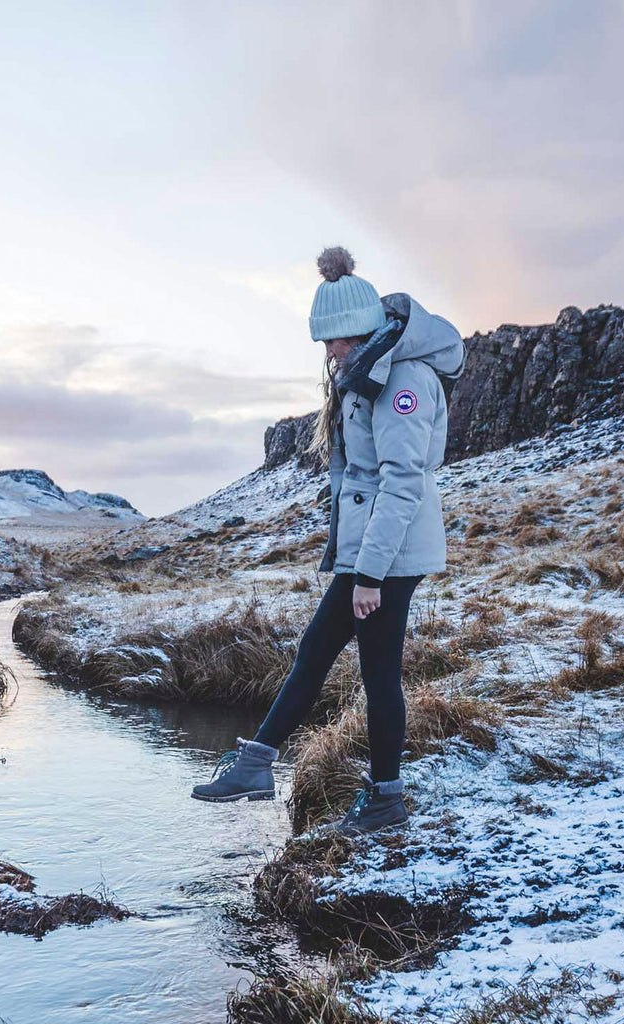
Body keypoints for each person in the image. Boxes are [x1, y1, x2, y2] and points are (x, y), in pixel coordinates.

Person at [191, 246, 466, 834]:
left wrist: (367, 575)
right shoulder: (367, 372)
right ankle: (260, 765)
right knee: (319, 651)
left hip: (388, 555)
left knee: (375, 670)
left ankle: (383, 798)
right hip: (373, 550)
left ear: (362, 328)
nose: (332, 352)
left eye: (338, 340)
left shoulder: (403, 379)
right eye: (325, 342)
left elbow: (400, 484)